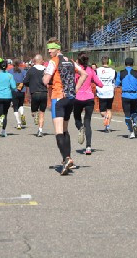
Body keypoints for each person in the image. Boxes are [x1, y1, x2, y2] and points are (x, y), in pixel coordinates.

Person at [43, 37, 87, 175]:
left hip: (58, 97)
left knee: (58, 132)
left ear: (57, 48)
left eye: (51, 48)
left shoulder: (53, 61)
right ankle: (68, 159)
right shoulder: (71, 61)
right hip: (70, 98)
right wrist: (76, 88)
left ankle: (66, 158)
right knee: (66, 129)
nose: (49, 51)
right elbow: (83, 74)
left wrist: (44, 76)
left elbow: (46, 80)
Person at [73, 52, 103, 155]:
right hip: (89, 98)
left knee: (77, 118)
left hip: (77, 97)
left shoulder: (76, 70)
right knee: (88, 122)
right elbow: (99, 84)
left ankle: (80, 127)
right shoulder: (91, 71)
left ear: (78, 60)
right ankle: (88, 147)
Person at [116, 57, 137, 139]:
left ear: (125, 64)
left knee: (127, 115)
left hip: (125, 95)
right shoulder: (136, 72)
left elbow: (117, 84)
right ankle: (135, 124)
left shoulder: (120, 73)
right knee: (134, 111)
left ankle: (131, 131)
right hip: (135, 95)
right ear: (132, 64)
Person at [23, 54, 48, 137]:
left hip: (35, 93)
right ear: (41, 61)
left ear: (34, 61)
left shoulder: (31, 70)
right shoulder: (46, 70)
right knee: (42, 113)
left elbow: (25, 81)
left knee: (33, 111)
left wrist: (30, 84)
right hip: (44, 93)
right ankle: (40, 130)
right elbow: (49, 81)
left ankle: (35, 113)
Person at [0, 60, 16, 137]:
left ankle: (0, 118)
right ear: (7, 66)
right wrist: (9, 89)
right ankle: (3, 131)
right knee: (5, 113)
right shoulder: (10, 76)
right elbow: (14, 86)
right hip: (8, 96)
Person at [96, 56, 116, 132]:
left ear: (102, 62)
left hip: (102, 92)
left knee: (102, 112)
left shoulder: (98, 70)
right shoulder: (113, 71)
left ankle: (107, 122)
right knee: (109, 110)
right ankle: (107, 125)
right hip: (109, 92)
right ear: (109, 62)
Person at [9, 60, 27, 130]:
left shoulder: (10, 71)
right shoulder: (23, 71)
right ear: (19, 64)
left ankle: (18, 123)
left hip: (14, 90)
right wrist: (21, 85)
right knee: (21, 105)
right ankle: (22, 114)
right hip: (22, 90)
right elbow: (25, 80)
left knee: (15, 107)